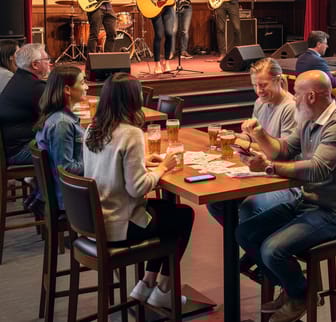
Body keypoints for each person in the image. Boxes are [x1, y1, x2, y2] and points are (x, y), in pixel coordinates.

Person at [236, 70, 336, 322]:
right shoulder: (308, 117)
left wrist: (269, 168)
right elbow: (282, 150)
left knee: (273, 250)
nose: (293, 98)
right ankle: (294, 287)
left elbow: (317, 169)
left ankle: (301, 294)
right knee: (245, 233)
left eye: (297, 94)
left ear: (312, 96)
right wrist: (260, 134)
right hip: (308, 202)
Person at [82, 73, 194, 310]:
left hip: (96, 221)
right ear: (132, 99)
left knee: (170, 212)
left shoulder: (92, 128)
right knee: (183, 216)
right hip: (119, 224)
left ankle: (147, 283)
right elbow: (138, 188)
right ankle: (163, 288)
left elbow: (107, 165)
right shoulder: (130, 133)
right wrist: (163, 167)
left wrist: (141, 161)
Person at [208, 58, 300, 227]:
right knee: (215, 202)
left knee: (249, 209)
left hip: (286, 180)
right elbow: (250, 136)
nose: (258, 91)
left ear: (279, 80)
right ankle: (244, 240)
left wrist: (248, 145)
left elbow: (284, 155)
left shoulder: (291, 107)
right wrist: (233, 136)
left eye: (263, 85)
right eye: (255, 85)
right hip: (262, 172)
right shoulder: (260, 103)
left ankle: (252, 243)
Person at [34, 65, 88, 213]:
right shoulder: (62, 123)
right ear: (67, 90)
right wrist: (95, 161)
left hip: (71, 192)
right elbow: (66, 168)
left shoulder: (57, 117)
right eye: (82, 82)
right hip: (72, 199)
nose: (87, 87)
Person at [0, 43, 51, 165]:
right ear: (34, 64)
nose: (49, 62)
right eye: (46, 59)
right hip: (19, 151)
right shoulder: (35, 87)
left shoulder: (18, 78)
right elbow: (57, 114)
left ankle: (39, 181)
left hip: (10, 148)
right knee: (66, 147)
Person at [294, 31, 336, 112]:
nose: (327, 46)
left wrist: (334, 73)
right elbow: (332, 83)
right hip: (321, 102)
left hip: (303, 100)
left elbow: (312, 76)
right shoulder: (318, 61)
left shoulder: (301, 58)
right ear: (318, 44)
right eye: (325, 43)